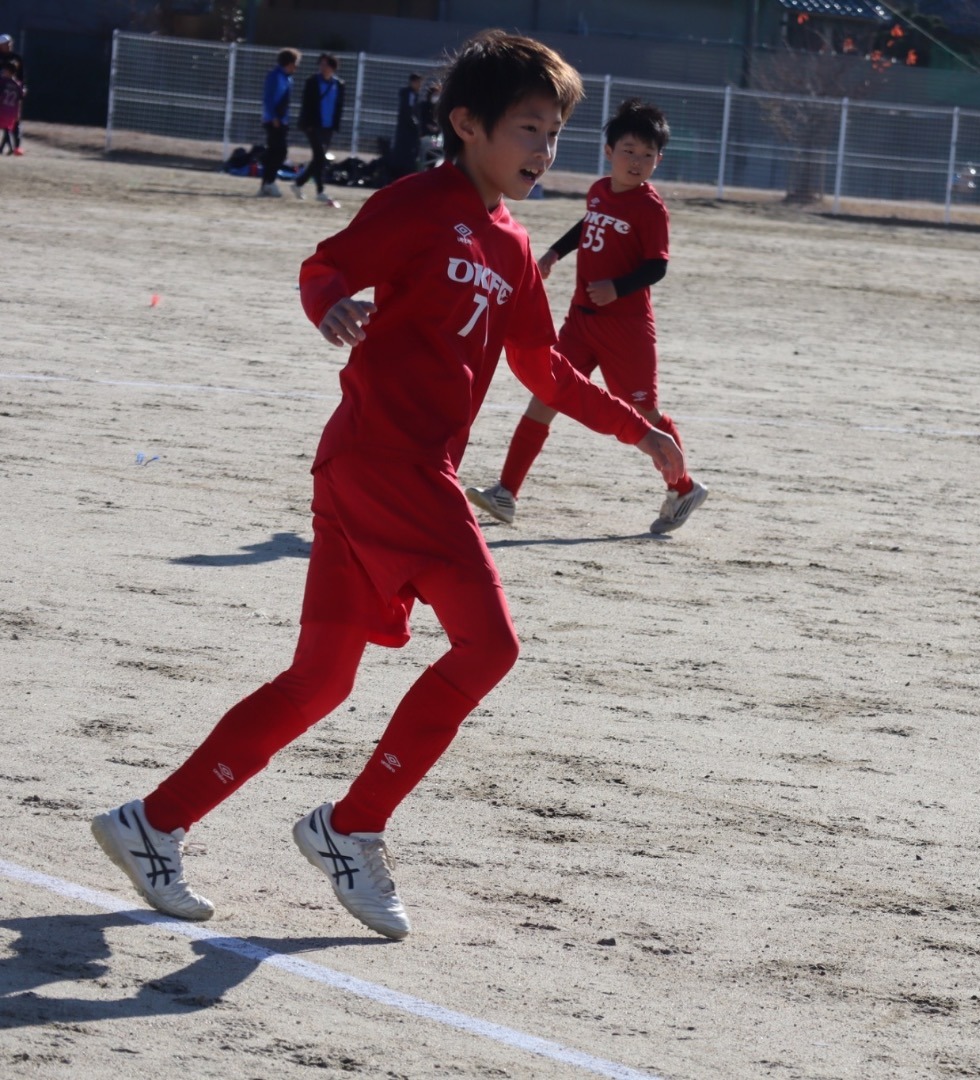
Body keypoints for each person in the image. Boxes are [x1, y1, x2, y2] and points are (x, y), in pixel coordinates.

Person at [89, 30, 685, 940]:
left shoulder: (514, 246)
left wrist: (636, 430)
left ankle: (154, 822)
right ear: (468, 125)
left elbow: (545, 370)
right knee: (489, 647)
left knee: (318, 682)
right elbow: (326, 263)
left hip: (378, 470)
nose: (544, 149)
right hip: (384, 463)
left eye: (555, 133)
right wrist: (328, 303)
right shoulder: (420, 203)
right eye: (528, 128)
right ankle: (352, 825)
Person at [465, 98, 707, 534]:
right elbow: (588, 223)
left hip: (625, 329)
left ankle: (684, 487)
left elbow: (657, 266)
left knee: (643, 412)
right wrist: (555, 252)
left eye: (647, 154)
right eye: (628, 151)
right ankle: (506, 492)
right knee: (546, 393)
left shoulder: (651, 208)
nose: (637, 161)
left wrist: (617, 288)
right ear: (609, 151)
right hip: (580, 321)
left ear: (658, 160)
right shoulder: (599, 190)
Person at [294, 53, 344, 208]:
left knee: (318, 158)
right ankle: (320, 191)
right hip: (313, 126)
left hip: (328, 127)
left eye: (326, 64)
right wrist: (307, 123)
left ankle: (299, 183)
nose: (322, 67)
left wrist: (335, 125)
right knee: (320, 157)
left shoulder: (339, 84)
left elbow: (339, 106)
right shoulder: (312, 81)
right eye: (321, 64)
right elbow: (306, 103)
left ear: (333, 67)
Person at [259, 48, 299, 197]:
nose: (296, 67)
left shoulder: (288, 78)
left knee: (274, 152)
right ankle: (269, 182)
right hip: (273, 120)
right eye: (295, 63)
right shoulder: (275, 76)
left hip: (282, 120)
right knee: (280, 151)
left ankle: (266, 184)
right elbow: (268, 98)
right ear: (289, 63)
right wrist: (274, 117)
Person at [392, 72, 422, 179]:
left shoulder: (412, 94)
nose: (420, 85)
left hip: (406, 130)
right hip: (407, 131)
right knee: (406, 154)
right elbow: (408, 112)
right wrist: (416, 126)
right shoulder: (409, 94)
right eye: (418, 82)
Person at [0, 34, 22, 155]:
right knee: (7, 128)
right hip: (11, 109)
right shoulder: (16, 84)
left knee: (7, 128)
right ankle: (9, 148)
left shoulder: (4, 81)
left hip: (4, 108)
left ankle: (13, 147)